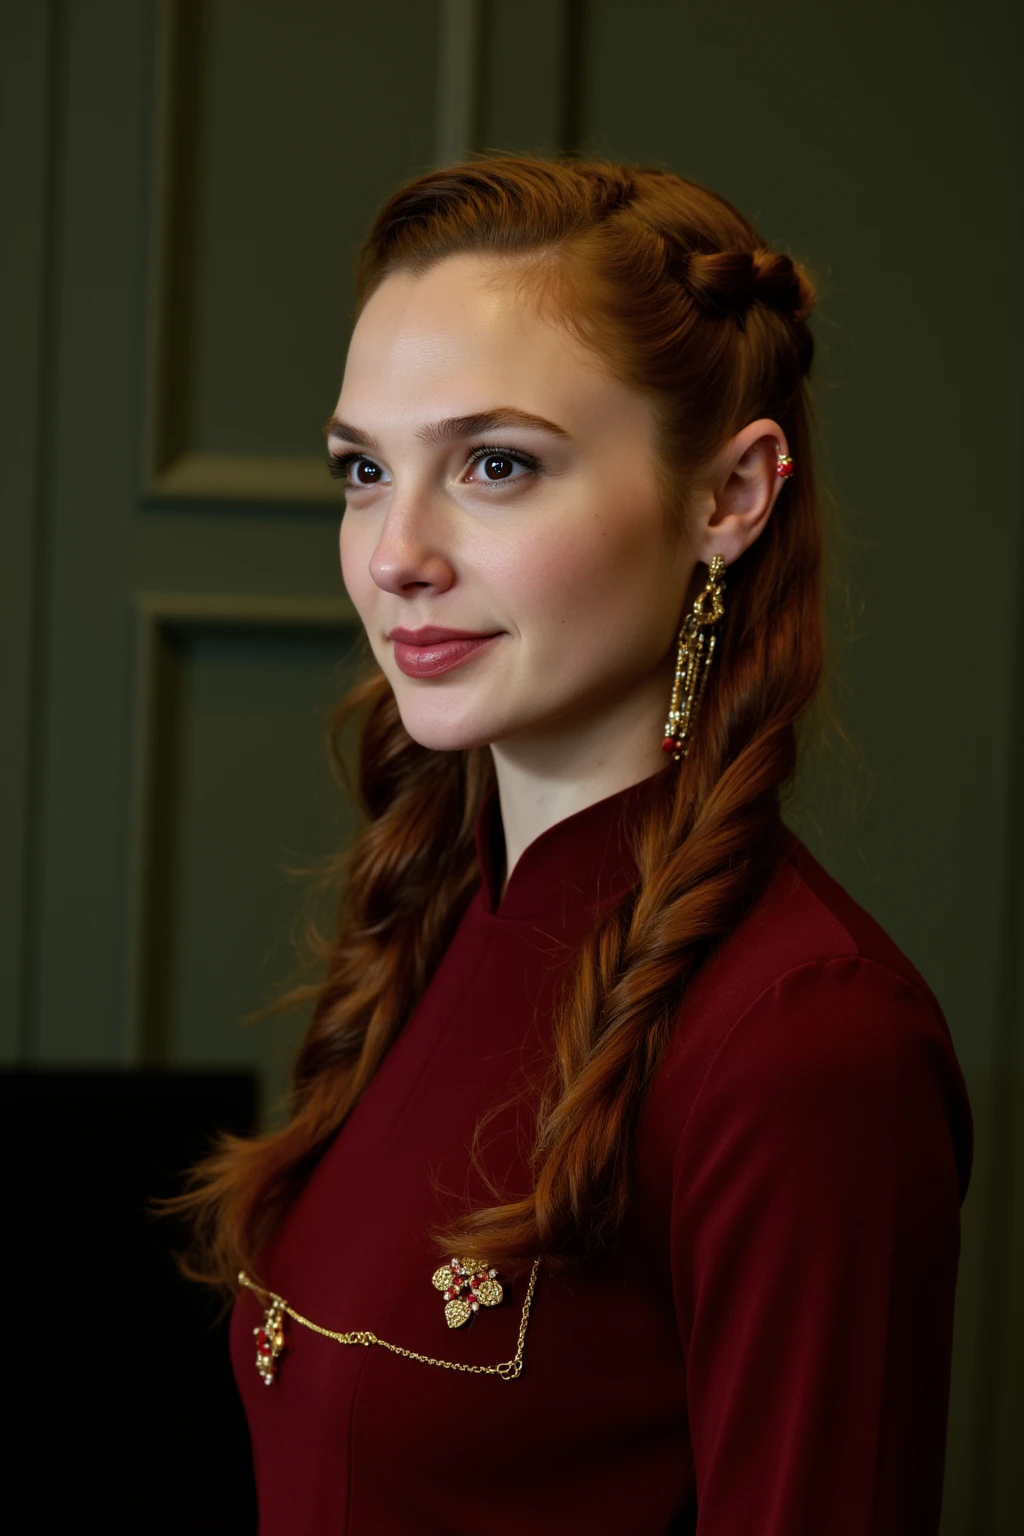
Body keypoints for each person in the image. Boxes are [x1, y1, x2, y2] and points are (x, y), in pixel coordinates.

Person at [176, 154, 973, 1534]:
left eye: (495, 465)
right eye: (365, 470)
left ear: (729, 497)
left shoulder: (804, 1045)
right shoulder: (434, 926)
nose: (396, 552)